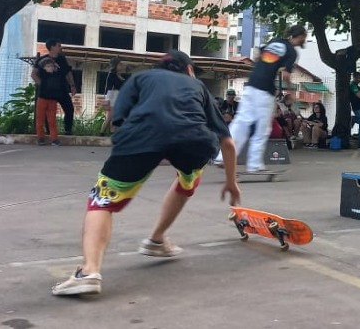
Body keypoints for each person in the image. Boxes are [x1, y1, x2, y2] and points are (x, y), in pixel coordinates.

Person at [51, 50, 240, 297]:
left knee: (101, 202)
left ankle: (89, 272)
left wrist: (145, 150)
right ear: (189, 70)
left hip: (141, 138)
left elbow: (119, 119)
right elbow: (227, 142)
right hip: (193, 142)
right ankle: (157, 239)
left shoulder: (140, 79)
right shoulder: (197, 86)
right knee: (188, 180)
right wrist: (231, 182)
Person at [227, 25, 307, 172]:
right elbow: (287, 75)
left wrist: (266, 67)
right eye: (304, 37)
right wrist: (291, 91)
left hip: (251, 84)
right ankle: (254, 164)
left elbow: (258, 55)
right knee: (262, 128)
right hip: (264, 90)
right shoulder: (291, 51)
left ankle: (223, 157)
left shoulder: (275, 41)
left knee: (241, 122)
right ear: (301, 36)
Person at [31, 38, 77, 135]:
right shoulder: (42, 60)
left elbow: (68, 73)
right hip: (48, 92)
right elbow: (34, 74)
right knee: (49, 112)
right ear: (52, 47)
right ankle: (49, 133)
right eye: (58, 45)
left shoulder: (62, 59)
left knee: (69, 109)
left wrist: (72, 85)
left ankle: (68, 130)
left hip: (62, 89)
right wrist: (42, 84)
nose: (61, 47)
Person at [34, 57, 64, 146]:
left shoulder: (56, 74)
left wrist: (56, 65)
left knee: (52, 120)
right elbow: (39, 67)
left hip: (52, 100)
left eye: (51, 66)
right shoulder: (43, 74)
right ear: (44, 68)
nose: (50, 67)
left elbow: (61, 72)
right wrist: (43, 63)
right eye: (47, 66)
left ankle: (54, 139)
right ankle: (40, 138)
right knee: (40, 119)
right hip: (42, 99)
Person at [100, 57, 127, 136]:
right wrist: (107, 99)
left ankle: (112, 132)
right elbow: (108, 88)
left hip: (118, 97)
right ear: (115, 65)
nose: (121, 66)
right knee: (110, 116)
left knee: (114, 116)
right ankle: (102, 132)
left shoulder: (119, 75)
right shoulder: (111, 74)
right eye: (120, 64)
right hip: (112, 97)